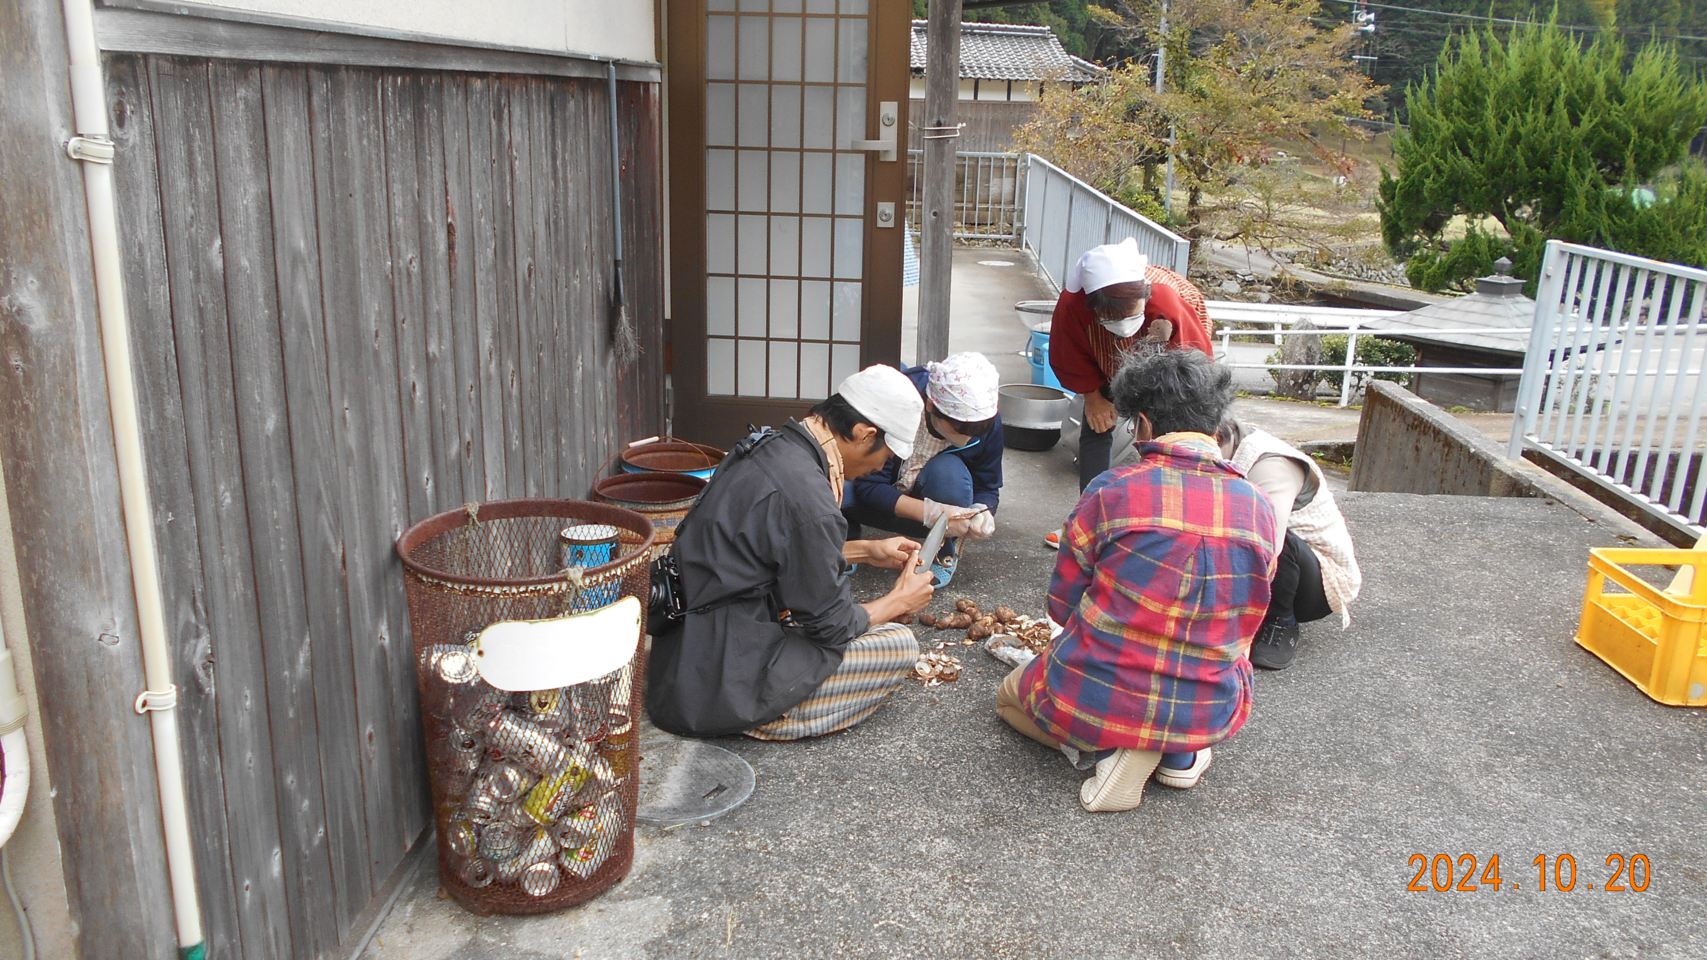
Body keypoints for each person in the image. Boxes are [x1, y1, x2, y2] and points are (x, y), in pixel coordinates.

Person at [996, 351, 1276, 812]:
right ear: (1215, 425)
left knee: (1008, 697)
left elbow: (1062, 606)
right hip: (1209, 705)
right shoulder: (1258, 507)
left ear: (1143, 424)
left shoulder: (1111, 489)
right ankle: (1180, 758)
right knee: (1198, 671)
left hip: (1099, 695)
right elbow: (1246, 617)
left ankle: (1109, 748)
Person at [647, 365, 937, 740]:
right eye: (887, 455)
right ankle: (772, 717)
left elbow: (771, 547)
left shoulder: (770, 446)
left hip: (683, 662)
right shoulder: (809, 499)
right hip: (721, 683)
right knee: (898, 645)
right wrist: (899, 600)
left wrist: (865, 550)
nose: (883, 466)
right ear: (865, 434)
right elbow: (832, 625)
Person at [1047, 238, 1215, 496]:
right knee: (1097, 423)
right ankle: (1091, 509)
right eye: (1112, 317)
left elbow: (1192, 368)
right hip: (1105, 358)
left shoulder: (1167, 302)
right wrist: (1093, 396)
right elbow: (1068, 354)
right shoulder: (1074, 305)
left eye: (1130, 312)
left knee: (1171, 432)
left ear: (1145, 294)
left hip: (1168, 361)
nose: (1123, 323)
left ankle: (1171, 502)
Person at [843, 352, 1003, 587]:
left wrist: (983, 510)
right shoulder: (901, 402)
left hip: (930, 511)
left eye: (976, 431)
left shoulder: (987, 421)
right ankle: (846, 540)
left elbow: (987, 486)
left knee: (949, 474)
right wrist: (932, 512)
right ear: (930, 405)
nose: (968, 437)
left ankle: (942, 549)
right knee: (836, 485)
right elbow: (868, 486)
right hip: (870, 501)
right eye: (960, 428)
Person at [1215, 417, 1362, 670]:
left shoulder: (1269, 465)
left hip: (1319, 583)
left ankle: (1281, 620)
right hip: (1274, 569)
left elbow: (1268, 548)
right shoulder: (1228, 448)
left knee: (1264, 531)